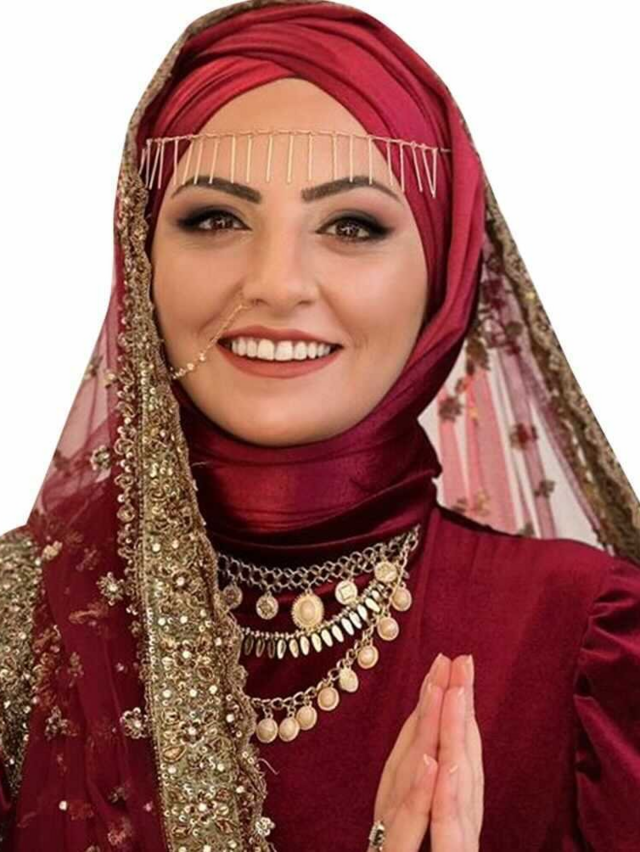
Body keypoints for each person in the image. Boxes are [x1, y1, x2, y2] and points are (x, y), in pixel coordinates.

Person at [0, 1, 638, 850]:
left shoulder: (591, 643)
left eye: (351, 226)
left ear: (445, 275)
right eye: (215, 219)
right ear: (140, 254)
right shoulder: (20, 621)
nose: (277, 282)